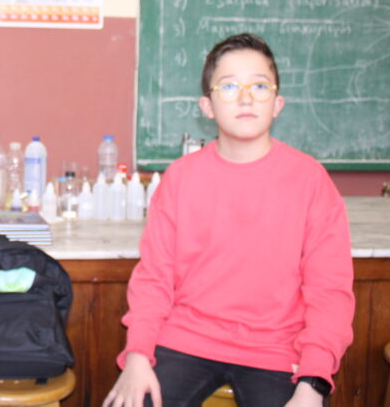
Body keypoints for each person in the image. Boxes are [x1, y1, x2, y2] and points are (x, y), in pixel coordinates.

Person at [102, 33, 354, 407]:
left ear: (278, 103)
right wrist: (138, 356)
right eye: (230, 86)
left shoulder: (310, 180)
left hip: (277, 349)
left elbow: (329, 291)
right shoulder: (180, 178)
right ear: (207, 105)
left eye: (260, 86)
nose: (246, 97)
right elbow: (155, 277)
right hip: (186, 339)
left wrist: (313, 382)